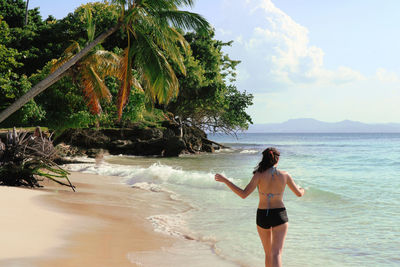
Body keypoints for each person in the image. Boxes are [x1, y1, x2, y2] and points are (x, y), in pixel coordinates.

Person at [215, 147, 305, 267]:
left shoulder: (259, 175)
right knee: (276, 253)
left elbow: (243, 194)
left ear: (265, 159)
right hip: (279, 214)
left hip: (262, 215)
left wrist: (226, 181)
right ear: (277, 159)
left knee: (268, 254)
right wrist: (302, 190)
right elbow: (299, 194)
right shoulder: (285, 175)